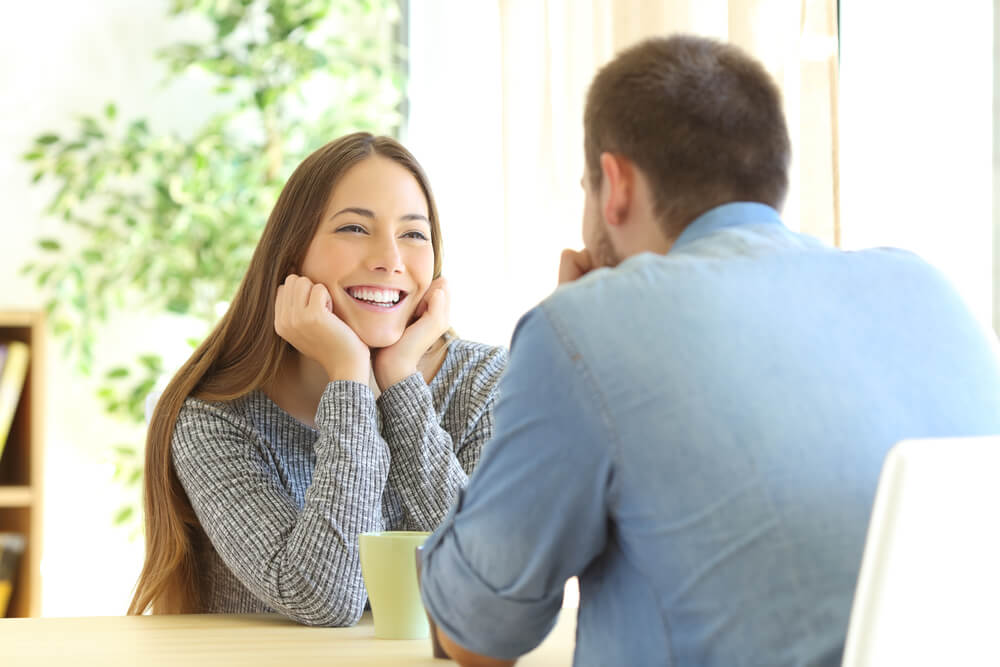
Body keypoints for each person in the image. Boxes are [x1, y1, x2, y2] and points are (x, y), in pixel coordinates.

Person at [418, 35, 1000, 667]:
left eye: (586, 185)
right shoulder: (926, 290)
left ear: (614, 184)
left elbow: (475, 637)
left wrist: (572, 340)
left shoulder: (589, 328)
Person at [127, 132, 507, 626]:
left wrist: (399, 387)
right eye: (354, 228)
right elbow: (325, 598)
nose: (389, 259)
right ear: (292, 255)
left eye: (414, 234)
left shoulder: (484, 383)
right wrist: (350, 378)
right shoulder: (214, 420)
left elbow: (491, 585)